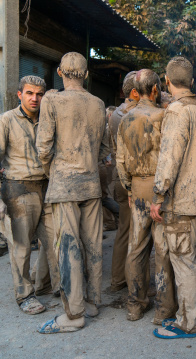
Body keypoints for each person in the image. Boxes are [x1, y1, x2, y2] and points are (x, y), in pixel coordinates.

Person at [36, 52, 109, 333]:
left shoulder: (52, 100)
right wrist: (90, 163)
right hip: (91, 184)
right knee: (92, 245)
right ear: (87, 75)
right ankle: (92, 302)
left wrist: (52, 171)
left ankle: (74, 314)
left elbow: (44, 146)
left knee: (68, 248)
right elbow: (105, 148)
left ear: (59, 72)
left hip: (64, 184)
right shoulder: (99, 103)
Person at [150, 56, 196, 339]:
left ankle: (187, 323)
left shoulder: (176, 111)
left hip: (183, 201)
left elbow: (169, 158)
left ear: (167, 81)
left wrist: (158, 195)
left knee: (183, 261)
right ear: (191, 81)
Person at [116, 69, 177, 323]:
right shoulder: (163, 116)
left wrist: (129, 189)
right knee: (162, 249)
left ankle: (135, 304)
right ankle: (164, 308)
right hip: (159, 190)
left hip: (137, 189)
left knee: (136, 248)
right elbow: (169, 158)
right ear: (155, 90)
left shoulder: (125, 118)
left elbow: (120, 160)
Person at [0, 76, 60, 314]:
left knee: (55, 241)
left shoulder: (48, 119)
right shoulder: (6, 120)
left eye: (40, 94)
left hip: (47, 187)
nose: (35, 98)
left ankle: (57, 285)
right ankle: (25, 295)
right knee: (22, 247)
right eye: (29, 93)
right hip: (18, 188)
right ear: (19, 94)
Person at [109, 71, 139, 292]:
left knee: (124, 230)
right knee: (131, 233)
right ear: (136, 92)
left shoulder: (117, 112)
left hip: (120, 178)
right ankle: (128, 282)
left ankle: (119, 278)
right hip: (128, 179)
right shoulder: (131, 114)